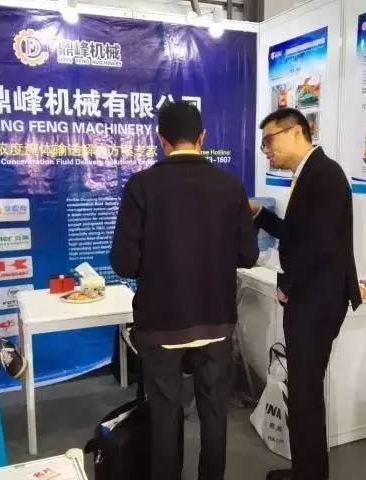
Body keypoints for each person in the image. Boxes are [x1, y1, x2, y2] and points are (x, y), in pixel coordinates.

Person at [110, 101, 259, 480]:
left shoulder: (141, 186)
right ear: (202, 138)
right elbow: (248, 255)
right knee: (215, 412)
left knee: (165, 413)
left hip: (160, 323)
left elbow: (123, 263)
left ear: (161, 140)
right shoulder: (230, 187)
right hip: (215, 320)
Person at [250, 108, 362, 480]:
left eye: (269, 140)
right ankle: (304, 471)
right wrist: (260, 215)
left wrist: (288, 285)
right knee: (301, 392)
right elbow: (298, 234)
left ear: (296, 131)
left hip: (317, 301)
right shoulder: (308, 174)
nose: (266, 149)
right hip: (311, 297)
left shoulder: (325, 175)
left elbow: (320, 246)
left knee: (306, 395)